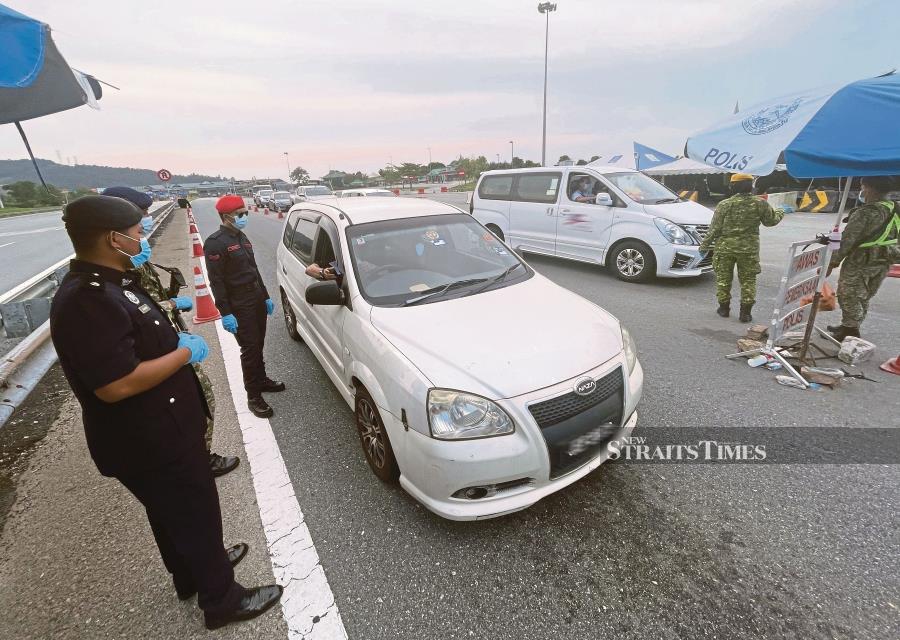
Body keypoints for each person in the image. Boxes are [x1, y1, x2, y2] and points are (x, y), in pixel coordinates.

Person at [49, 195, 282, 630]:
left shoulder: (114, 281)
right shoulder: (87, 298)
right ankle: (223, 599)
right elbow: (116, 384)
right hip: (150, 436)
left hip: (159, 428)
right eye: (137, 233)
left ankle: (192, 572)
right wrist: (183, 354)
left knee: (171, 511)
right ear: (110, 238)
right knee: (195, 510)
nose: (142, 240)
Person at [102, 186, 239, 478]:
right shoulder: (116, 270)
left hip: (167, 341)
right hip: (158, 352)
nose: (146, 222)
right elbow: (135, 307)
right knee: (193, 403)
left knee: (196, 401)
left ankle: (198, 457)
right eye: (141, 218)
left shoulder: (133, 256)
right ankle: (196, 462)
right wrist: (171, 304)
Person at [204, 195, 284, 418]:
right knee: (249, 349)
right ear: (226, 216)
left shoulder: (241, 236)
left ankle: (262, 379)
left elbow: (254, 269)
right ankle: (253, 396)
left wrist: (266, 296)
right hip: (239, 303)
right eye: (239, 213)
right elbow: (216, 281)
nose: (244, 216)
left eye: (244, 212)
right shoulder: (215, 242)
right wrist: (225, 312)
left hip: (256, 298)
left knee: (258, 344)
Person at [699, 173, 784, 322]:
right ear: (751, 186)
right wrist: (780, 212)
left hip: (725, 248)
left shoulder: (724, 204)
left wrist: (704, 247)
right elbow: (770, 222)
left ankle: (724, 309)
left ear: (733, 186)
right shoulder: (760, 203)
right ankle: (746, 313)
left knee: (723, 279)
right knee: (748, 280)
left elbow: (714, 229)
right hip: (748, 249)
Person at [827, 175, 900, 340]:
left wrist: (832, 263)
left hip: (861, 260)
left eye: (863, 187)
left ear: (871, 188)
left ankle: (850, 331)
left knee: (849, 294)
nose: (862, 191)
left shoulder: (866, 212)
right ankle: (849, 324)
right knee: (865, 294)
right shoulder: (895, 208)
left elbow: (847, 240)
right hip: (883, 260)